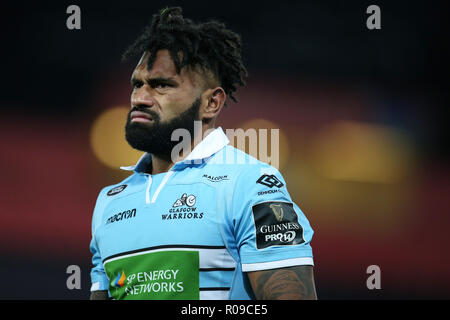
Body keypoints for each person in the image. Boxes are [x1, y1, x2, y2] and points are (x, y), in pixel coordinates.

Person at [89, 6, 317, 300]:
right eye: (137, 84)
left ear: (211, 102)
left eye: (161, 85)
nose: (140, 98)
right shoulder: (109, 203)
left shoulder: (251, 184)